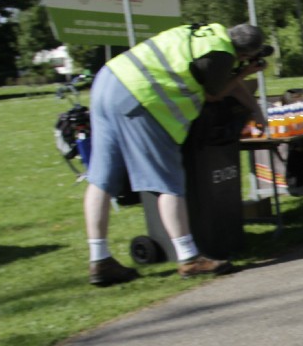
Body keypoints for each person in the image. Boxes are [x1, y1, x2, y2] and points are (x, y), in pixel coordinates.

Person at [84, 22, 268, 286]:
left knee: (101, 179)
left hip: (108, 81)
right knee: (168, 182)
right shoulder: (221, 55)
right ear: (245, 53)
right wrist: (245, 72)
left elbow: (224, 80)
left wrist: (255, 108)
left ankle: (99, 259)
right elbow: (214, 94)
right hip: (141, 98)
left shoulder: (208, 34)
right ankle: (189, 257)